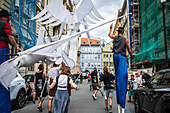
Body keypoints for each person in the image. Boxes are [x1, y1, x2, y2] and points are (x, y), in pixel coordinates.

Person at [0, 9, 21, 113]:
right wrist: (16, 47)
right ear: (7, 16)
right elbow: (9, 35)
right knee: (3, 78)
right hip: (2, 49)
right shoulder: (6, 23)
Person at [108, 25, 132, 113]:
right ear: (123, 32)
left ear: (118, 32)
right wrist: (131, 54)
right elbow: (128, 49)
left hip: (115, 56)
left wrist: (110, 29)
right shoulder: (125, 40)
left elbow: (109, 35)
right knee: (122, 76)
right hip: (121, 57)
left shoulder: (115, 37)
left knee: (117, 74)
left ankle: (117, 78)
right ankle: (122, 104)